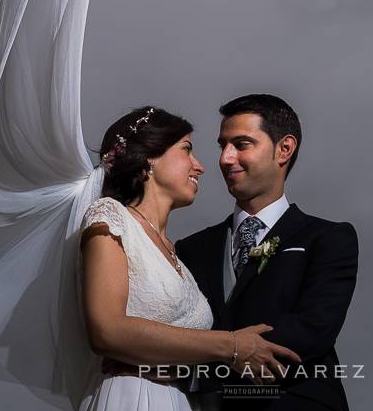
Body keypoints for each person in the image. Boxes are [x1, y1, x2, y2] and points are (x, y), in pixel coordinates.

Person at [79, 106, 300, 411]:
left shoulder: (177, 255)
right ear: (149, 158)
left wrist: (178, 366)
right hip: (133, 398)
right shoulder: (111, 217)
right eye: (186, 150)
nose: (200, 166)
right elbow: (107, 331)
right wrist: (231, 346)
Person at [176, 94, 359, 411]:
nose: (225, 158)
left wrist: (218, 355)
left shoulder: (328, 238)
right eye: (223, 145)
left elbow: (312, 330)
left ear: (284, 149)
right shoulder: (191, 248)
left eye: (242, 144)